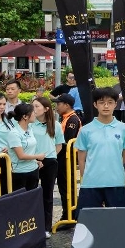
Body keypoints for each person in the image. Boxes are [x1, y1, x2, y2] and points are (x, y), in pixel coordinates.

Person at [74, 87, 125, 209]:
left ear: (116, 104)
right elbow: (81, 159)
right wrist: (87, 178)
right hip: (91, 184)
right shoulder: (85, 130)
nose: (106, 106)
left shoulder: (124, 129)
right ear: (95, 104)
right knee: (87, 222)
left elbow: (124, 155)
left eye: (110, 102)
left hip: (116, 182)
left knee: (117, 221)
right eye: (101, 102)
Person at [53, 94, 81, 223]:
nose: (56, 106)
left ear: (67, 105)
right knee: (64, 187)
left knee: (67, 187)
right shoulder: (65, 118)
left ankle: (69, 214)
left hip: (66, 158)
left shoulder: (72, 120)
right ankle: (68, 213)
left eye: (58, 104)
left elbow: (67, 141)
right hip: (63, 158)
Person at [6, 103, 43, 193]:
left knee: (32, 200)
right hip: (20, 173)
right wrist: (37, 156)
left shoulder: (29, 129)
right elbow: (21, 156)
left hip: (33, 170)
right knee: (21, 202)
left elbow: (29, 150)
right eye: (33, 112)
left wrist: (36, 161)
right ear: (25, 116)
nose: (35, 114)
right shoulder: (14, 133)